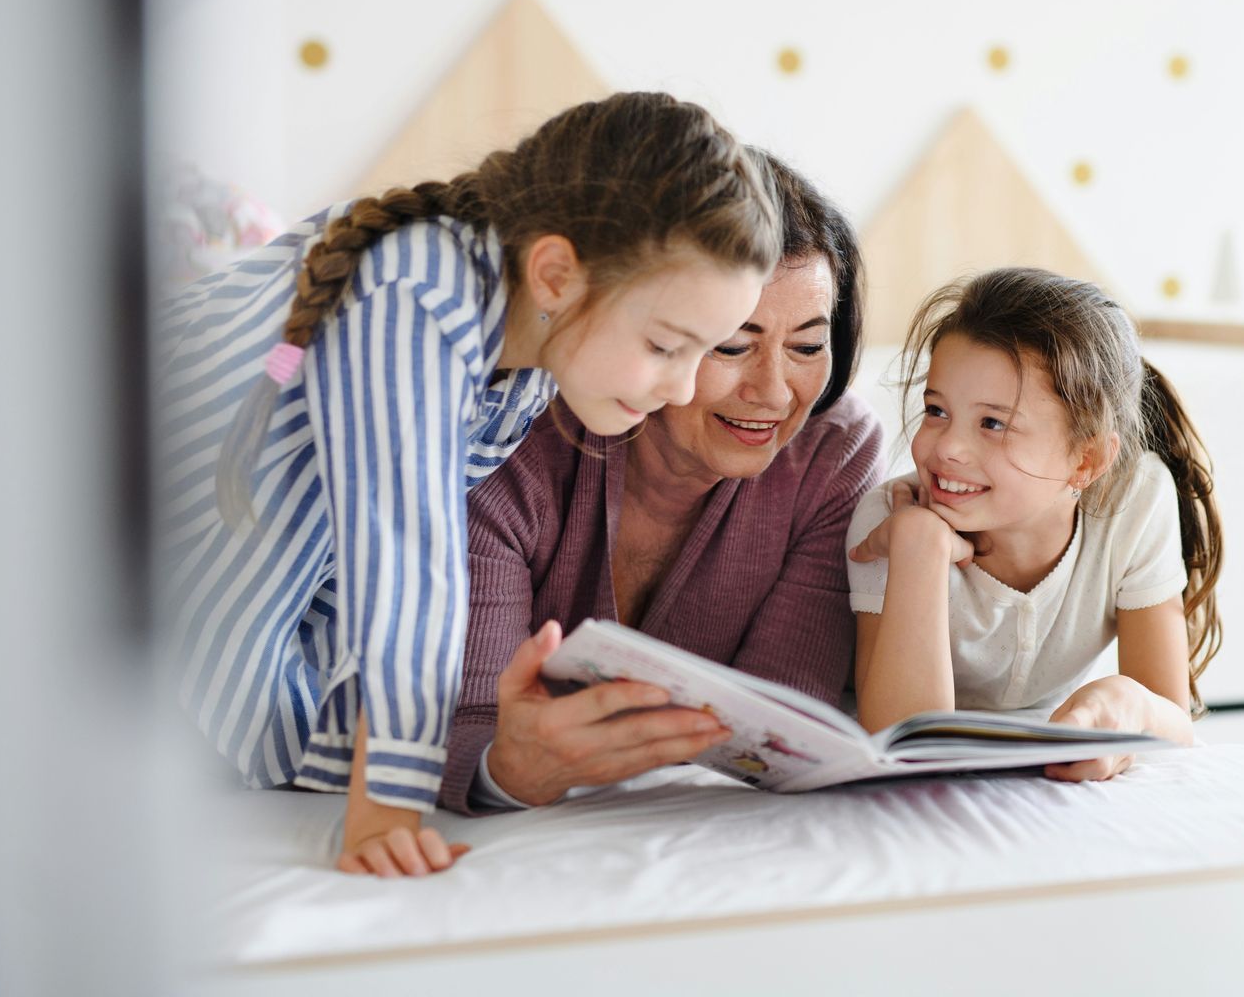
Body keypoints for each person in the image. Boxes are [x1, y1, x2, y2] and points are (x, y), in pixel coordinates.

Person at [155, 92, 779, 876]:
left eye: (703, 352)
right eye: (664, 345)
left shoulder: (527, 365)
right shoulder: (418, 294)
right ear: (555, 273)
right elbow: (405, 569)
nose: (684, 390)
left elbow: (334, 580)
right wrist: (386, 812)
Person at [441, 153, 883, 815]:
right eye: (733, 346)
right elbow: (460, 723)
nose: (772, 392)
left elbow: (781, 725)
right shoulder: (517, 437)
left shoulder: (833, 453)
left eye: (808, 347)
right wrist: (507, 770)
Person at [845, 267, 1223, 780]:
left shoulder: (1132, 502)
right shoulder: (891, 520)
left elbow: (1173, 720)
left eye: (993, 423)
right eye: (936, 410)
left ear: (1087, 461)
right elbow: (903, 744)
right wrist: (919, 548)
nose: (947, 447)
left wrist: (1125, 703)